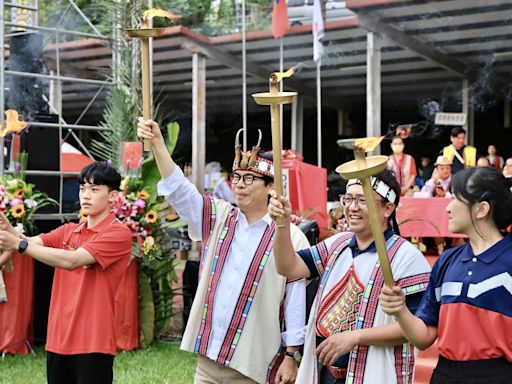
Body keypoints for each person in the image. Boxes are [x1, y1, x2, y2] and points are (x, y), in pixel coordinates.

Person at [137, 119, 310, 384]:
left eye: (249, 178)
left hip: (253, 363)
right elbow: (180, 191)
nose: (239, 184)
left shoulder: (291, 237)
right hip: (209, 358)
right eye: (236, 177)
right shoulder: (219, 217)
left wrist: (291, 355)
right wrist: (159, 144)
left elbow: (296, 298)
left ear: (270, 187)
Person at [268, 169, 431, 384]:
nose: (352, 207)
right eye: (349, 199)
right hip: (326, 372)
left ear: (388, 208)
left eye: (362, 200)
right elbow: (288, 267)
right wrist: (282, 225)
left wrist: (355, 337)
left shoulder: (406, 257)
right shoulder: (338, 244)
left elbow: (417, 328)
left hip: (375, 374)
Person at [0, 162, 132, 384]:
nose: (86, 195)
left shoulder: (118, 233)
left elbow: (73, 260)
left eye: (94, 189)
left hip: (93, 342)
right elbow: (31, 242)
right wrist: (9, 230)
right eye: (82, 188)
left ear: (113, 196)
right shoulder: (69, 230)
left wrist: (17, 244)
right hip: (58, 339)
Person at [380, 166, 512, 383]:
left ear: (481, 209)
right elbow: (424, 338)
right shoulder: (447, 261)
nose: (448, 207)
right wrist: (400, 310)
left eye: (455, 199)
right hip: (445, 374)